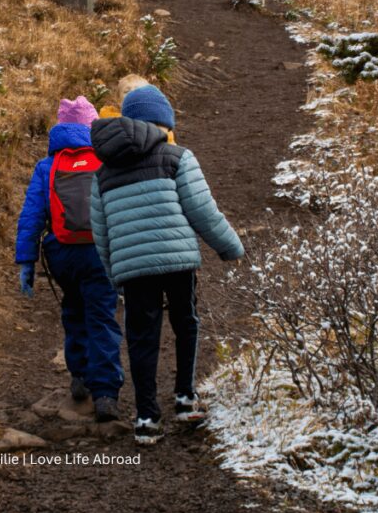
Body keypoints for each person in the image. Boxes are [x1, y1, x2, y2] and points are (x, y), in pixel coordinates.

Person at [89, 85, 244, 445]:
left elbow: (101, 233)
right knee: (185, 322)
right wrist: (230, 247)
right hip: (178, 262)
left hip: (133, 269)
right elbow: (203, 211)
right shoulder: (177, 157)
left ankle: (146, 417)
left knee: (142, 339)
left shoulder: (103, 173)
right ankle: (185, 398)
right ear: (163, 123)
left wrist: (114, 275)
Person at [15, 96, 124, 422]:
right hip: (99, 251)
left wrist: (26, 262)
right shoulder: (105, 161)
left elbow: (31, 216)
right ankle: (105, 394)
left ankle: (79, 378)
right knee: (102, 317)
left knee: (74, 309)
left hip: (61, 253)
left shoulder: (47, 166)